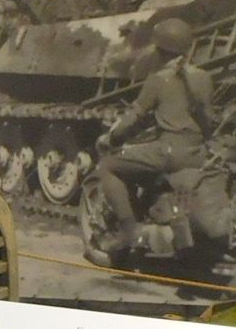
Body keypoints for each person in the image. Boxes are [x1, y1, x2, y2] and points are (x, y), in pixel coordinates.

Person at [89, 18, 214, 260]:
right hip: (197, 153)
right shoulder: (203, 77)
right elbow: (207, 119)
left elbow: (134, 117)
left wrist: (112, 137)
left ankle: (129, 232)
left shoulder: (158, 79)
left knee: (108, 166)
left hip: (168, 152)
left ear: (159, 50)